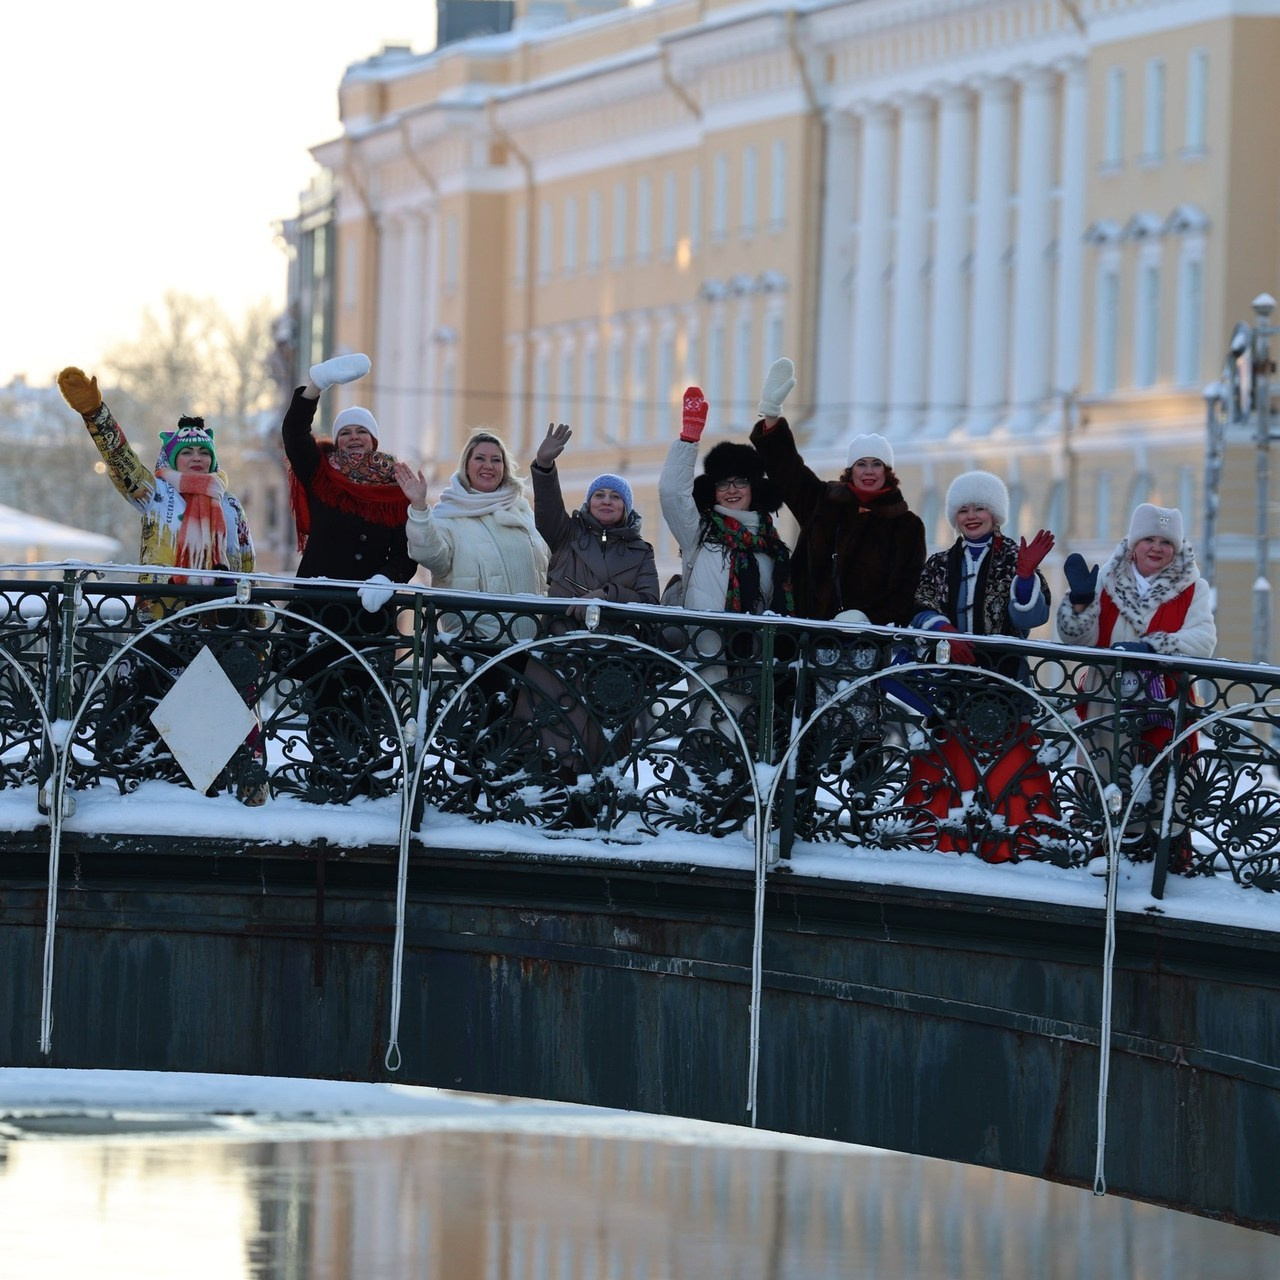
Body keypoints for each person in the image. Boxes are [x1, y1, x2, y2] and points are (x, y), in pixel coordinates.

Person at [56, 366, 266, 804]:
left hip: (218, 625)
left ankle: (214, 791)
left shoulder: (230, 507)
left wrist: (258, 626)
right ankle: (130, 788)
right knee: (143, 706)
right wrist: (96, 414)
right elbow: (122, 464)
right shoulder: (156, 495)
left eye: (203, 453)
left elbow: (245, 566)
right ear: (172, 459)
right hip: (161, 622)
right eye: (187, 452)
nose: (196, 458)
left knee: (215, 714)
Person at [902, 471, 1058, 861]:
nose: (972, 516)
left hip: (1004, 683)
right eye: (964, 509)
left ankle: (1017, 846)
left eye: (981, 508)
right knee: (948, 764)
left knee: (1012, 766)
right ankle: (938, 842)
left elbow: (1031, 617)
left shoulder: (1012, 559)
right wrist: (946, 632)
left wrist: (1024, 579)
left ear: (996, 514)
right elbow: (919, 607)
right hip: (952, 684)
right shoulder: (940, 563)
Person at [281, 353, 415, 801]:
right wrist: (314, 387)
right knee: (323, 696)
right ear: (335, 441)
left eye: (361, 431)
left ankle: (365, 778)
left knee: (368, 697)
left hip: (369, 614)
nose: (353, 438)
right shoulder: (321, 474)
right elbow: (294, 434)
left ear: (374, 440)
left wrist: (386, 578)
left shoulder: (397, 486)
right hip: (319, 610)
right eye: (345, 432)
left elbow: (406, 551)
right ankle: (328, 773)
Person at [1055, 503, 1217, 871]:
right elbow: (1078, 641)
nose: (1157, 548)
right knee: (1108, 774)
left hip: (1164, 701)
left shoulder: (1193, 587)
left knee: (1164, 781)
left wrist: (1152, 648)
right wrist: (1079, 607)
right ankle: (1105, 855)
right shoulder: (1106, 579)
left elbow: (1204, 639)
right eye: (1149, 540)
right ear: (1133, 544)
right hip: (1107, 699)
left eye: (1165, 542)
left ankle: (1162, 861)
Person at [396, 430, 550, 792]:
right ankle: (473, 789)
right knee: (489, 713)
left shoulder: (521, 509)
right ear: (466, 465)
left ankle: (504, 792)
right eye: (480, 458)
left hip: (527, 638)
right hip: (476, 637)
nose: (488, 466)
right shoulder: (448, 514)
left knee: (519, 719)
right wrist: (419, 509)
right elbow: (430, 554)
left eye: (496, 459)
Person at [521, 423, 659, 807]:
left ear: (626, 507)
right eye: (598, 494)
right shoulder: (567, 534)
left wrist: (607, 596)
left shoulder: (641, 552)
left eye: (615, 496)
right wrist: (544, 466)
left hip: (610, 663)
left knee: (599, 750)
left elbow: (651, 602)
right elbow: (547, 511)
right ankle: (544, 809)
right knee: (548, 739)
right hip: (557, 653)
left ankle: (593, 813)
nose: (605, 501)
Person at [658, 384, 793, 742]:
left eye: (740, 483)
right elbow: (672, 494)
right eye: (723, 484)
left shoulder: (772, 547)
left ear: (754, 489)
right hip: (708, 659)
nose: (732, 490)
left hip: (755, 666)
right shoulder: (700, 532)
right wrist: (688, 440)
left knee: (750, 754)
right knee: (707, 739)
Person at [749, 358, 925, 624]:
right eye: (861, 464)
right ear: (850, 471)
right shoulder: (823, 503)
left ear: (887, 472)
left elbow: (907, 588)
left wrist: (868, 621)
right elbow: (788, 471)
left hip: (870, 640)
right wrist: (771, 414)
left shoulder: (907, 526)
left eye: (877, 464)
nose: (868, 471)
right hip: (811, 631)